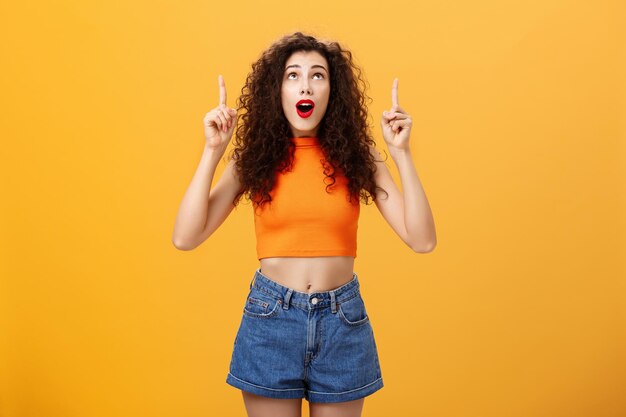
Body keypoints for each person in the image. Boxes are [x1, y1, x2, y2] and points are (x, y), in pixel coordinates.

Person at [172, 31, 436, 417]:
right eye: (292, 75)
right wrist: (213, 151)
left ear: (333, 91)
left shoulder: (360, 158)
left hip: (342, 323)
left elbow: (422, 239)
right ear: (276, 91)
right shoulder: (254, 160)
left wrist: (401, 154)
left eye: (318, 75)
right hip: (271, 320)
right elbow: (185, 236)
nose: (305, 84)